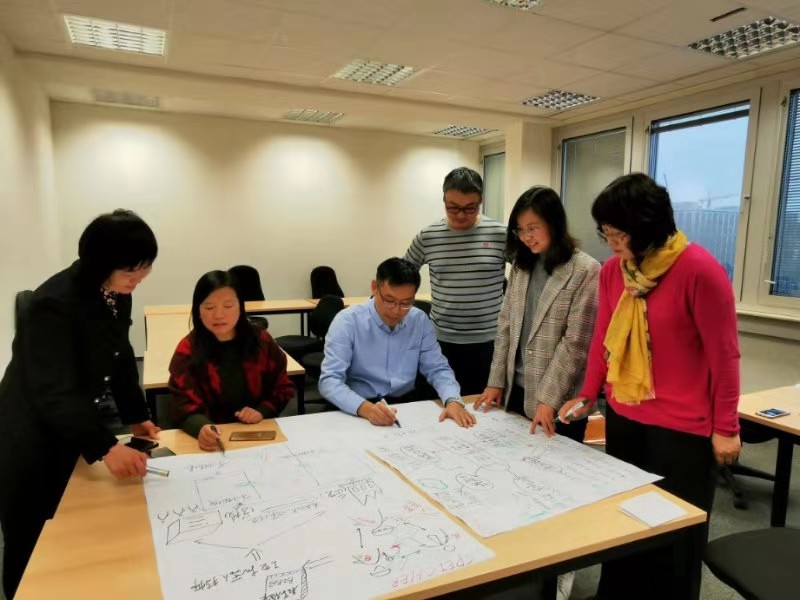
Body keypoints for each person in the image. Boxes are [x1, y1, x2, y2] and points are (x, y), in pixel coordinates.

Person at [558, 173, 741, 600]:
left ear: (647, 226)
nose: (610, 242)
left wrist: (727, 427)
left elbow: (725, 357)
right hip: (626, 414)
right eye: (605, 232)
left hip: (683, 428)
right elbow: (604, 340)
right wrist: (588, 394)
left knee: (674, 536)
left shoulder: (700, 271)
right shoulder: (613, 272)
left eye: (618, 233)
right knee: (625, 523)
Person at [0, 209, 159, 599]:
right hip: (27, 431)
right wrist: (106, 446)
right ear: (100, 263)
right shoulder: (52, 304)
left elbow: (120, 353)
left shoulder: (115, 293)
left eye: (145, 270)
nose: (139, 280)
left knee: (73, 521)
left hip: (70, 420)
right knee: (30, 533)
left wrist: (136, 416)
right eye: (131, 271)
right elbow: (53, 391)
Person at [475, 186, 599, 443]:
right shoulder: (522, 265)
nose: (526, 237)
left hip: (559, 402)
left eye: (533, 228)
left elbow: (575, 344)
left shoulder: (585, 270)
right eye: (520, 230)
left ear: (554, 224)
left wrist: (548, 400)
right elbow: (506, 326)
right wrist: (495, 381)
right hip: (516, 390)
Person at [318, 257, 476, 428]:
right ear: (374, 287)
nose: (396, 310)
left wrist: (453, 400)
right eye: (389, 300)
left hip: (406, 405)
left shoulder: (419, 320)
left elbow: (437, 368)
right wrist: (366, 409)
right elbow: (329, 380)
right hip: (359, 406)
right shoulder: (348, 321)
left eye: (406, 303)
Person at [403, 167, 507, 395]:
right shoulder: (428, 236)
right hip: (441, 342)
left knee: (484, 408)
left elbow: (527, 276)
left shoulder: (501, 234)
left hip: (490, 343)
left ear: (480, 201)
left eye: (470, 208)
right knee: (438, 404)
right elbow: (403, 276)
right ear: (444, 200)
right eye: (453, 207)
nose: (461, 215)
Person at [169, 270, 294, 451]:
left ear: (240, 307)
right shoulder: (187, 350)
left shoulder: (261, 341)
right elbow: (181, 404)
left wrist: (262, 411)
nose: (219, 315)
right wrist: (201, 427)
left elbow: (282, 386)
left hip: (258, 435)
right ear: (198, 311)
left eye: (228, 306)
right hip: (214, 442)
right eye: (209, 308)